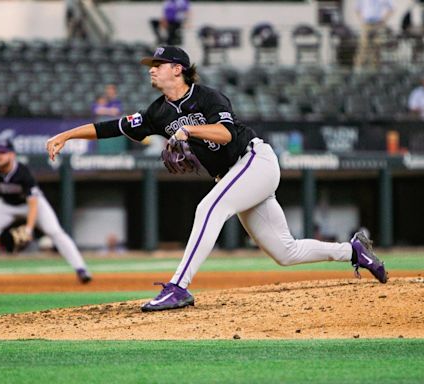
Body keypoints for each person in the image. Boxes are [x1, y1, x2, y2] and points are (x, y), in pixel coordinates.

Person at [46, 46, 388, 312]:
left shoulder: (208, 96)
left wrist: (188, 129)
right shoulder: (158, 111)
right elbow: (113, 127)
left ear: (177, 69)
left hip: (255, 161)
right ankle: (353, 251)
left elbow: (225, 133)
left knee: (209, 207)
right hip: (235, 176)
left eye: (158, 64)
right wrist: (67, 135)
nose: (151, 69)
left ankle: (178, 286)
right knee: (285, 252)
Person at [0, 139, 92, 286]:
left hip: (33, 205)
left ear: (12, 155)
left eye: (3, 152)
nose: (0, 156)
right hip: (6, 205)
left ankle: (81, 269)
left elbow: (33, 203)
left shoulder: (23, 172)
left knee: (55, 231)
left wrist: (29, 229)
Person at [354, 0, 394, 69]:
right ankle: (358, 70)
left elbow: (392, 8)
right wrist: (362, 21)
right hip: (366, 24)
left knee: (377, 48)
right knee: (363, 47)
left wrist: (383, 20)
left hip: (377, 24)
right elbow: (357, 9)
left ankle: (375, 71)